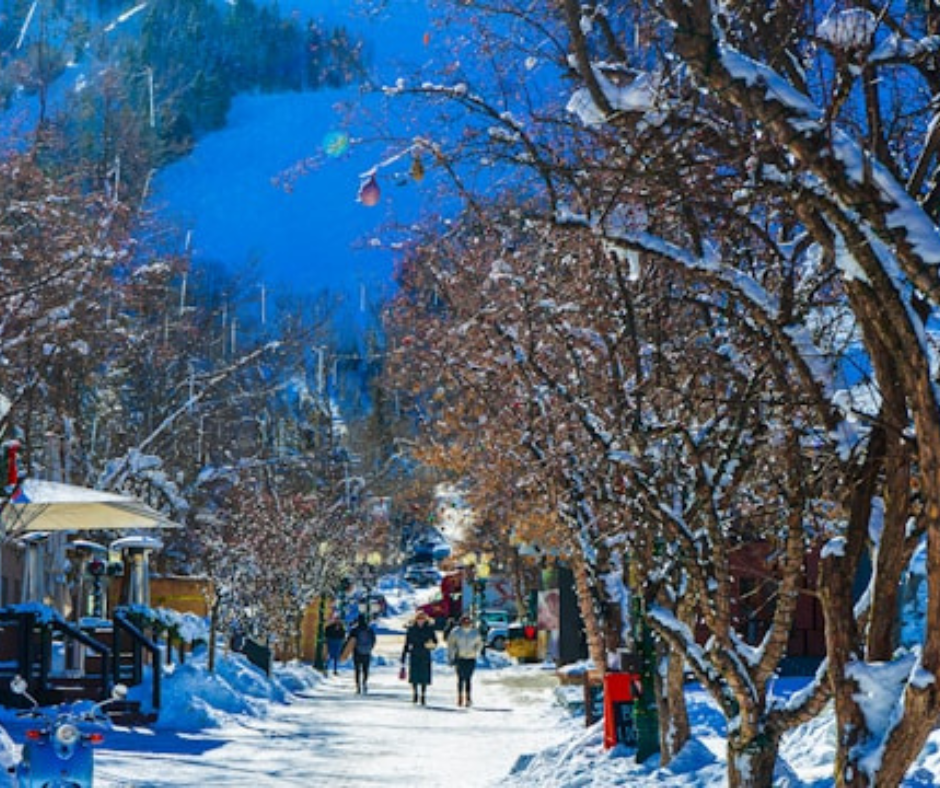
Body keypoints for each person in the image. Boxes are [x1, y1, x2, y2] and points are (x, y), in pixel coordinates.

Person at [401, 610, 438, 705]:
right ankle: (415, 693)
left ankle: (423, 694)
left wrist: (430, 645)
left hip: (425, 653)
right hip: (414, 654)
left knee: (424, 676)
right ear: (416, 619)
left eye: (422, 618)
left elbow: (435, 641)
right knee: (414, 676)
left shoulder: (429, 629)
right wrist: (403, 656)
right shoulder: (411, 629)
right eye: (419, 618)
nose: (420, 620)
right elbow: (407, 643)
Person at [447, 613, 483, 707]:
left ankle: (468, 697)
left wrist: (476, 652)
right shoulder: (456, 632)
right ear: (461, 622)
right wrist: (451, 656)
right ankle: (460, 697)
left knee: (468, 678)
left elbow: (480, 643)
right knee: (460, 678)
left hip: (471, 658)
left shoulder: (475, 632)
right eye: (464, 621)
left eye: (468, 621)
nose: (466, 623)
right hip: (460, 658)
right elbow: (451, 645)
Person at [346, 614, 376, 694]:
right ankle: (364, 682)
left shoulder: (355, 630)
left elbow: (349, 641)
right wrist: (370, 648)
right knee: (365, 669)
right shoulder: (369, 630)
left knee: (357, 670)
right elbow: (373, 640)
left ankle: (358, 685)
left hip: (357, 652)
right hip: (366, 652)